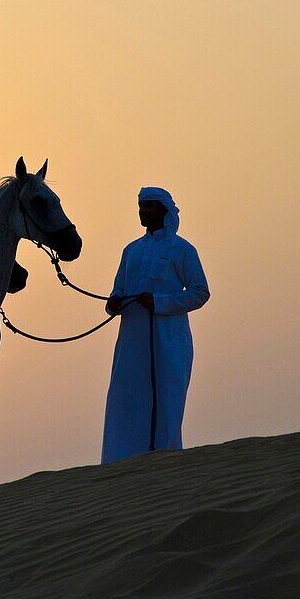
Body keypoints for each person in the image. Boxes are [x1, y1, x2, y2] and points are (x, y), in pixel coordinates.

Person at [102, 187, 209, 463]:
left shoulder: (182, 249)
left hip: (169, 341)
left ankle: (165, 461)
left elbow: (200, 292)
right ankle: (121, 461)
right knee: (126, 398)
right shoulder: (131, 251)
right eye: (140, 206)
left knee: (166, 399)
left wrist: (160, 302)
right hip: (131, 341)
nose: (142, 211)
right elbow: (118, 289)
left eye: (148, 206)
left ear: (163, 209)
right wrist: (114, 303)